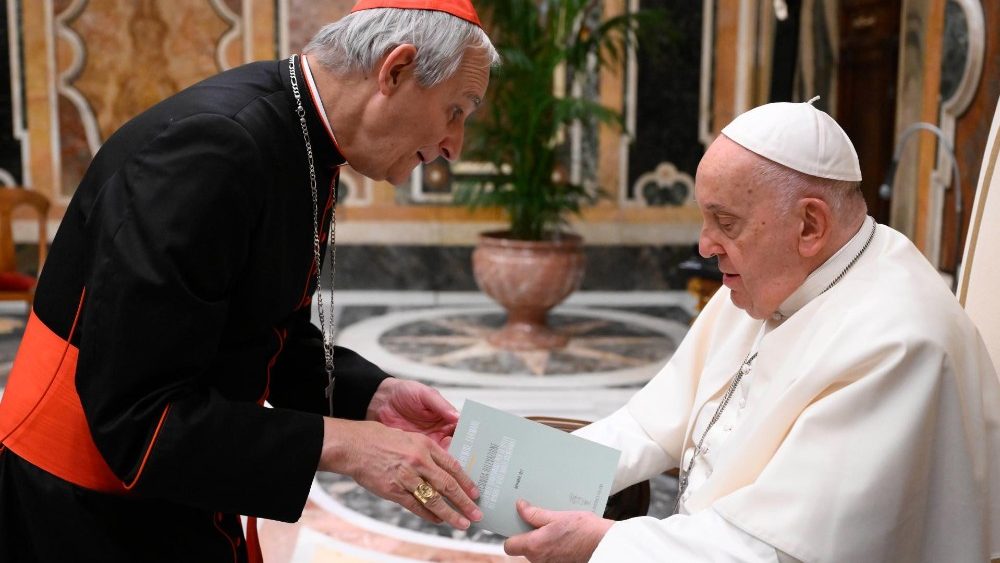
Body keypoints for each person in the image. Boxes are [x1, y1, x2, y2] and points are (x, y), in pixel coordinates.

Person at [0, 1, 499, 561]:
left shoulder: (302, 136)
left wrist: (369, 398)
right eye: (455, 110)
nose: (455, 144)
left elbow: (255, 331)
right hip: (86, 506)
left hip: (169, 484)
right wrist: (345, 447)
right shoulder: (212, 150)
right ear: (396, 70)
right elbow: (138, 416)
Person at [503, 100, 1000, 562]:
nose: (704, 246)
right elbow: (650, 426)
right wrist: (512, 471)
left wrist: (604, 545)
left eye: (725, 222)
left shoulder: (898, 344)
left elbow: (777, 552)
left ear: (810, 225)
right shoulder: (772, 277)